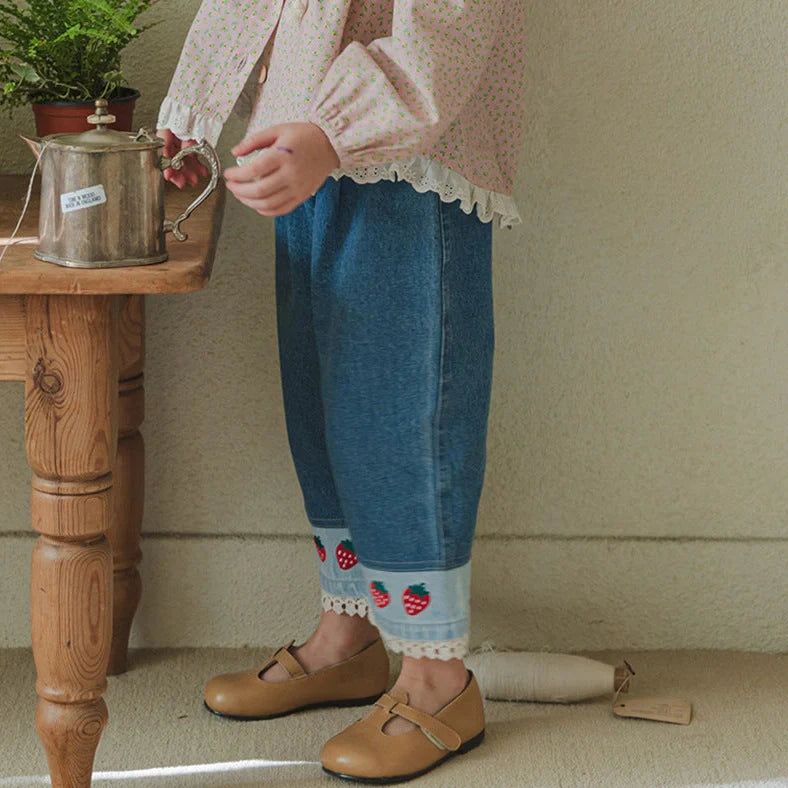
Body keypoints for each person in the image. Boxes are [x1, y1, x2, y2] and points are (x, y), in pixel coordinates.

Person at [156, 0, 526, 781]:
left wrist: (338, 128)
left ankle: (437, 679)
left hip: (410, 144)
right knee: (327, 403)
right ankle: (349, 635)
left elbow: (457, 18)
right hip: (302, 135)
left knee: (404, 410)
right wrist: (195, 108)